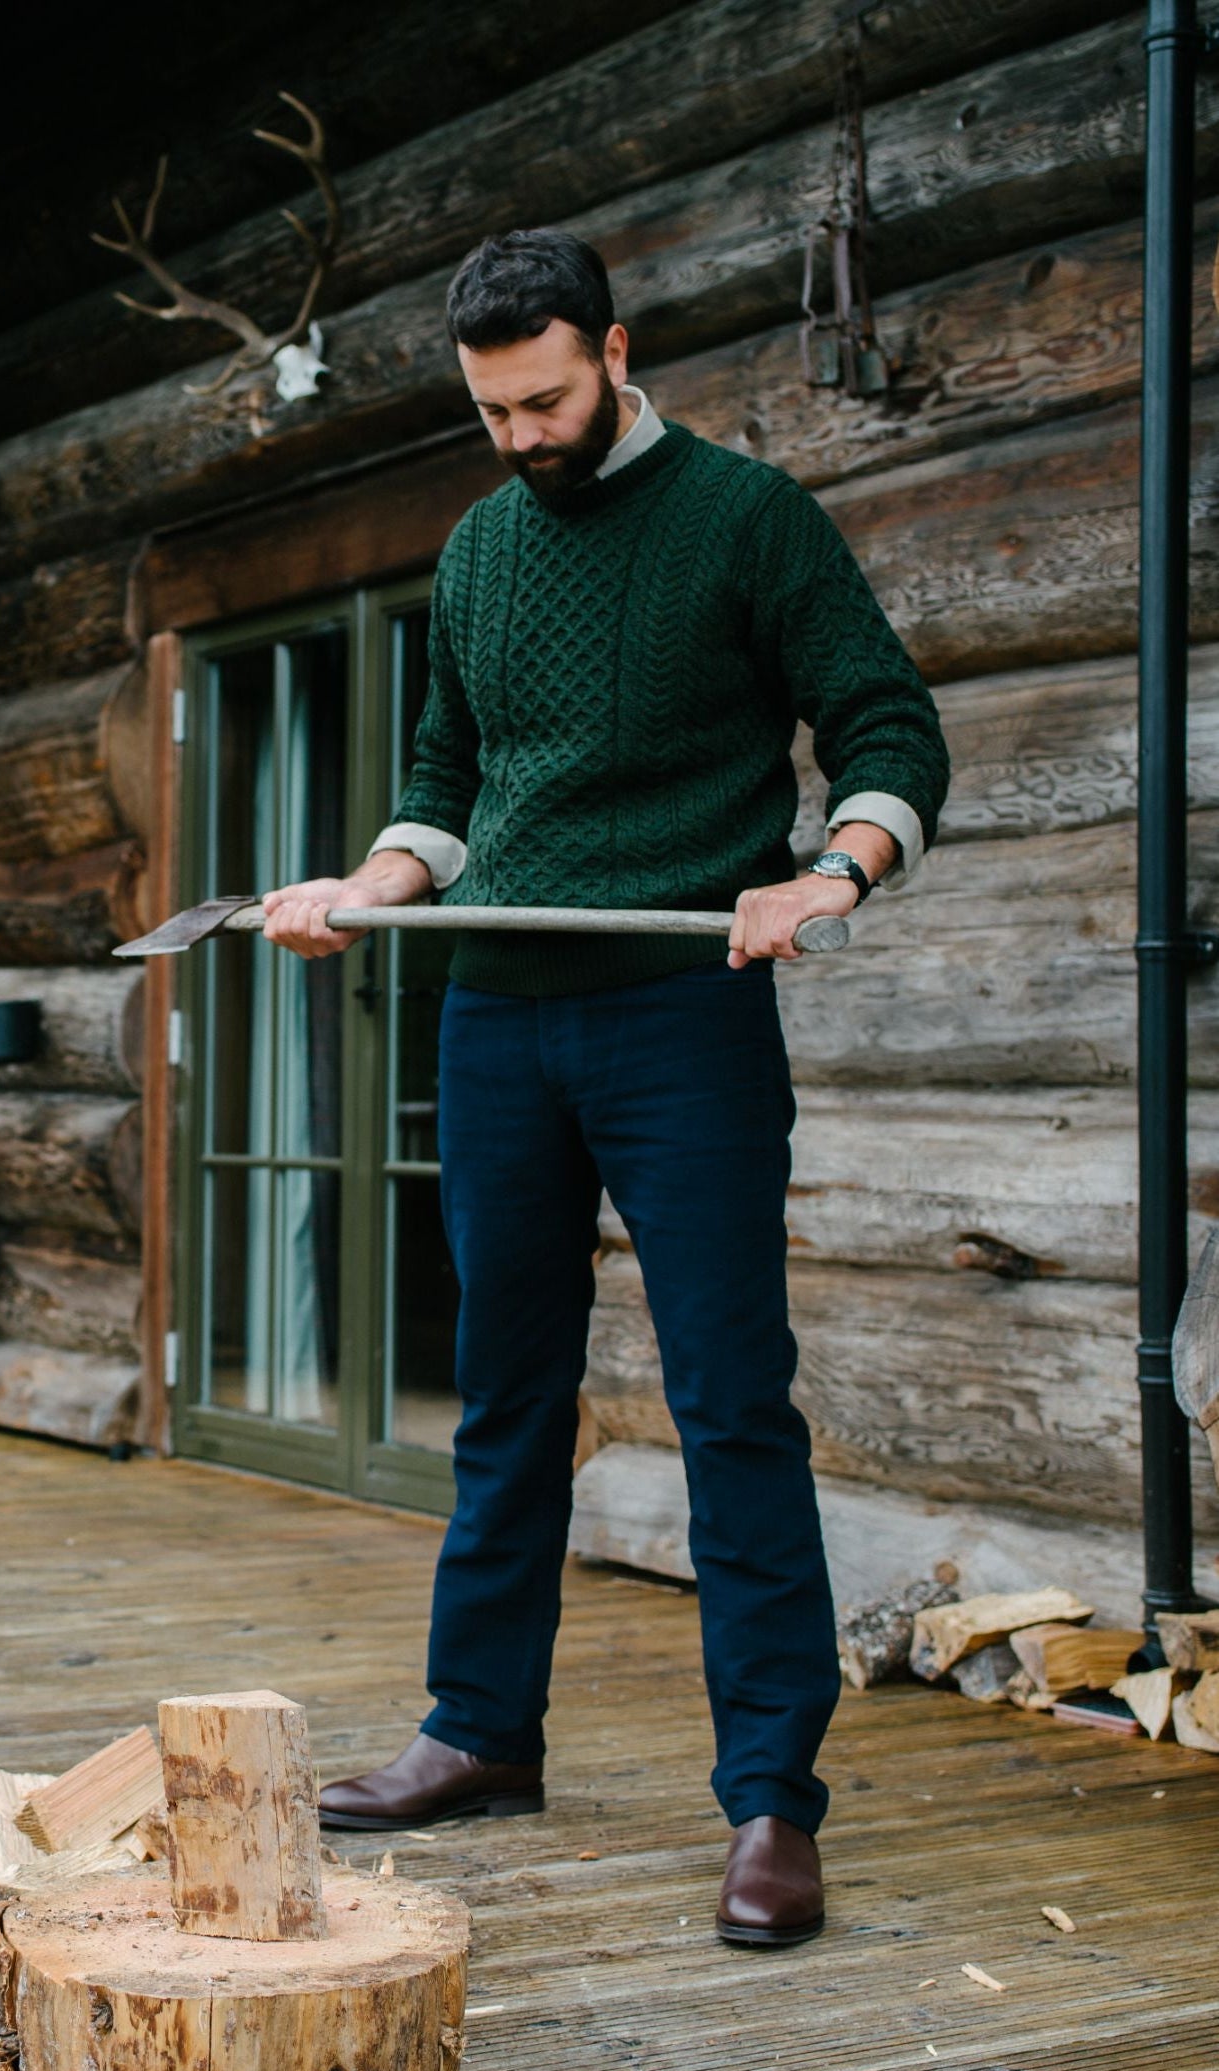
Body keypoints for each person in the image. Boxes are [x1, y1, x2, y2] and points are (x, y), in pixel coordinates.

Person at [263, 228, 949, 1947]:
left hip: (680, 1013)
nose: (518, 436)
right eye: (490, 410)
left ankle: (774, 1800)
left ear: (616, 352)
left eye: (545, 399)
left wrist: (831, 875)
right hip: (497, 1012)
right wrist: (368, 889)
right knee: (502, 1390)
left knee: (730, 1401)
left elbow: (885, 730)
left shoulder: (747, 519)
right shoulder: (481, 545)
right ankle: (481, 1731)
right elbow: (446, 780)